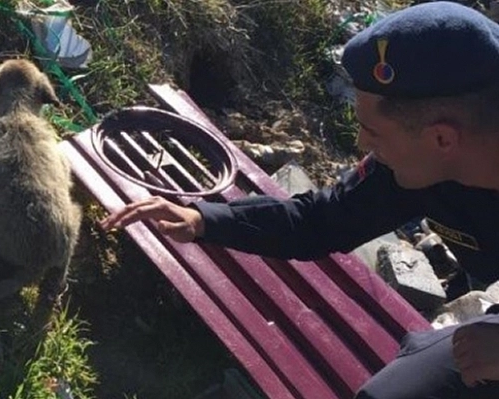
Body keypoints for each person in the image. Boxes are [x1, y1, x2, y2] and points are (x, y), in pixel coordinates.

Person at [100, 2, 499, 398]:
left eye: (372, 132)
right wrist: (203, 219)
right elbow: (318, 221)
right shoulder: (414, 170)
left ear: (442, 138)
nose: (363, 144)